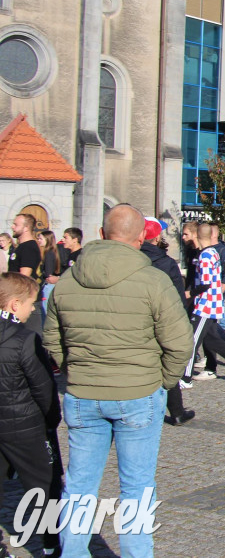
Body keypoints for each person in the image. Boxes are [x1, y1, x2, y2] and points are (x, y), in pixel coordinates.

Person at [42, 204, 193, 556]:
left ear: (100, 233)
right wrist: (162, 381)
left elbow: (52, 340)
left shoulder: (66, 282)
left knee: (79, 486)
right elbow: (180, 341)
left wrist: (75, 370)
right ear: (142, 237)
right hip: (138, 393)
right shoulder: (154, 281)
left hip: (83, 394)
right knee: (137, 487)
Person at [0, 273, 63, 556]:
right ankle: (51, 545)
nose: (33, 310)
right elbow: (43, 387)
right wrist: (51, 421)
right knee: (44, 486)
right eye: (30, 304)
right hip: (24, 426)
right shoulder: (25, 339)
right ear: (15, 304)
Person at [181, 223, 225, 385]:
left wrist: (189, 293)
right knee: (212, 339)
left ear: (198, 236)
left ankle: (185, 378)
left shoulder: (206, 256)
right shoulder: (212, 253)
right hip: (209, 304)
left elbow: (205, 284)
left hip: (205, 305)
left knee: (191, 340)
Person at [8, 214, 42, 333]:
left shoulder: (29, 247)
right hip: (17, 299)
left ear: (26, 227)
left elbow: (24, 277)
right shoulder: (20, 247)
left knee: (31, 336)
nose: (12, 227)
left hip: (26, 300)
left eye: (16, 225)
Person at [35, 230, 61, 317]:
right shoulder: (52, 252)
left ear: (47, 240)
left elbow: (48, 272)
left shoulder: (49, 253)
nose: (39, 240)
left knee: (45, 310)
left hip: (48, 284)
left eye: (41, 239)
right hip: (51, 285)